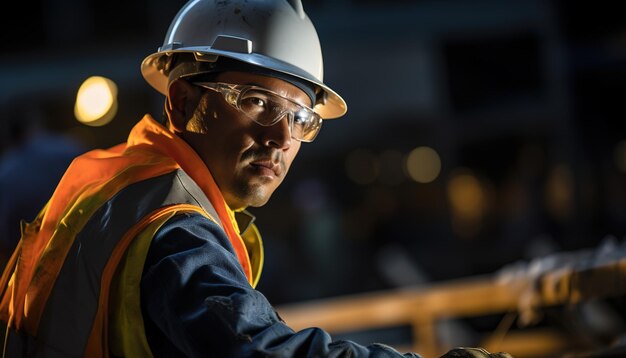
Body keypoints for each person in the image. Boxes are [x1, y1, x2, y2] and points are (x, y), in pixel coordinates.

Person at [0, 1, 512, 357]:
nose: (281, 138)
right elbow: (260, 351)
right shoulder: (172, 228)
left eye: (300, 119)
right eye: (257, 103)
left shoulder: (122, 184)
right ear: (182, 102)